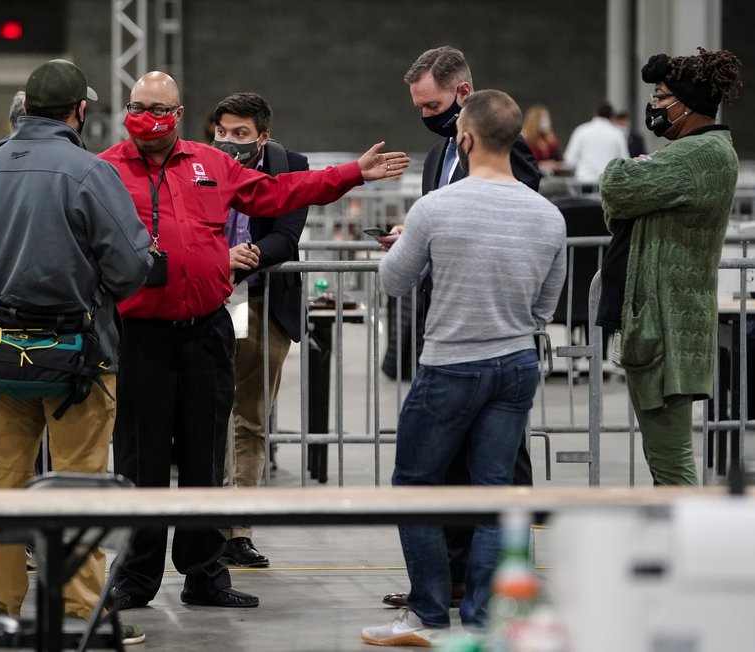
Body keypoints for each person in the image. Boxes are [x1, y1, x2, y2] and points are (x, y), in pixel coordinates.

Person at [99, 70, 407, 610]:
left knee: (203, 459)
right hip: (141, 336)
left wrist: (352, 174)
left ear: (177, 112)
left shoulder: (210, 163)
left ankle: (203, 574)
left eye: (160, 107)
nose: (149, 115)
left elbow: (279, 192)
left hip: (206, 332)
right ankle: (136, 578)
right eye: (139, 104)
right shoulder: (103, 170)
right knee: (140, 464)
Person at [0, 59, 152, 640]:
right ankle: (78, 609)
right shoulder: (89, 172)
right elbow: (130, 266)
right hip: (77, 359)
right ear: (79, 111)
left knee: (5, 478)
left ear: (24, 107)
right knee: (79, 482)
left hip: (0, 354)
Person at [362, 89, 566, 646]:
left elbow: (395, 283)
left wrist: (403, 246)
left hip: (451, 363)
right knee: (494, 492)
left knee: (416, 488)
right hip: (517, 364)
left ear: (466, 138)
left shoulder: (436, 207)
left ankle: (428, 613)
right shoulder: (548, 215)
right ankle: (480, 616)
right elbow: (546, 307)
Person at [379, 45, 541, 613]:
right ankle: (464, 593)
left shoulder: (512, 161)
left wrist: (415, 239)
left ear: (464, 100)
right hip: (504, 349)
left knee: (436, 482)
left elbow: (401, 276)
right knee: (470, 478)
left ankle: (462, 599)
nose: (425, 114)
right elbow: (549, 296)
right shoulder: (438, 158)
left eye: (432, 104)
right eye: (419, 105)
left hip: (462, 346)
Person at [595, 47, 743, 486]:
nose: (655, 106)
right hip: (664, 322)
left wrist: (631, 173)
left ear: (689, 103)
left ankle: (688, 550)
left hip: (666, 326)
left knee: (671, 463)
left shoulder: (700, 155)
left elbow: (615, 186)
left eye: (662, 97)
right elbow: (618, 209)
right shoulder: (694, 152)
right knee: (667, 460)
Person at [209, 92, 308, 569]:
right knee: (207, 418)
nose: (228, 142)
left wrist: (243, 260)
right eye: (222, 131)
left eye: (240, 134)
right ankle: (204, 524)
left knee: (250, 419)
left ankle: (238, 530)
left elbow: (286, 237)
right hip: (207, 300)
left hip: (263, 303)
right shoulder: (199, 162)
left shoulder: (292, 165)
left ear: (263, 136)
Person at [563, 101, 629, 188]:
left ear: (595, 113)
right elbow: (625, 160)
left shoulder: (581, 130)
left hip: (584, 183)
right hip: (608, 184)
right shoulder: (617, 134)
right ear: (612, 116)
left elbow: (569, 160)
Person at [521, 103, 561, 174]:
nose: (546, 122)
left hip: (551, 179)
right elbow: (522, 162)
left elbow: (558, 159)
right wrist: (541, 165)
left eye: (547, 119)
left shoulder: (551, 141)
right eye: (543, 119)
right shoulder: (525, 140)